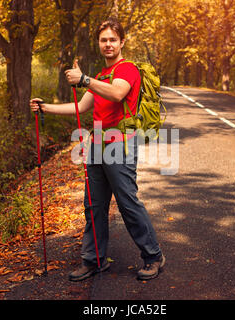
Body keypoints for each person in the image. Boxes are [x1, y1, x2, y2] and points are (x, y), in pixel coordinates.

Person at [30, 17, 165, 281]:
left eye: (113, 39)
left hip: (120, 146)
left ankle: (154, 256)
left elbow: (116, 94)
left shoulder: (127, 70)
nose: (108, 44)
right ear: (98, 43)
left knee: (127, 204)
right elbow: (81, 107)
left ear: (122, 42)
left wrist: (83, 79)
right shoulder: (102, 75)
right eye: (104, 40)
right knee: (93, 206)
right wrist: (45, 107)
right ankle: (94, 260)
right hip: (97, 147)